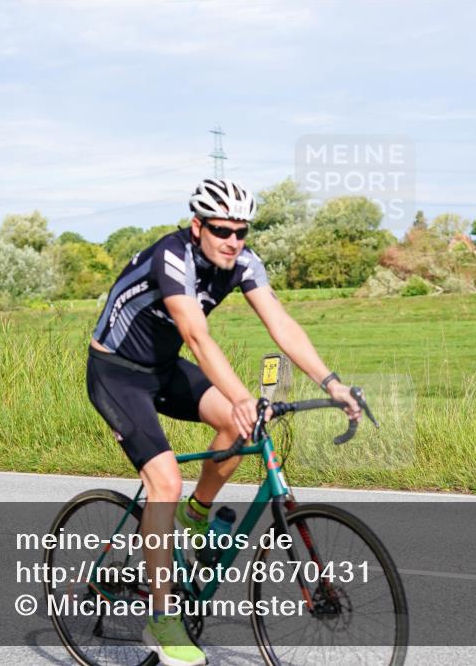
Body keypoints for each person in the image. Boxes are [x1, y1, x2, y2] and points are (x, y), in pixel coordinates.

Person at [86, 178, 361, 666]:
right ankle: (161, 618)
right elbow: (196, 335)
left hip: (164, 371)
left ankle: (197, 515)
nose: (233, 240)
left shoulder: (244, 261)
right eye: (221, 230)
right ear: (198, 227)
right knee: (164, 480)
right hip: (117, 374)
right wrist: (240, 396)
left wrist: (332, 383)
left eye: (241, 230)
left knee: (238, 430)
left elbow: (280, 323)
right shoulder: (171, 257)